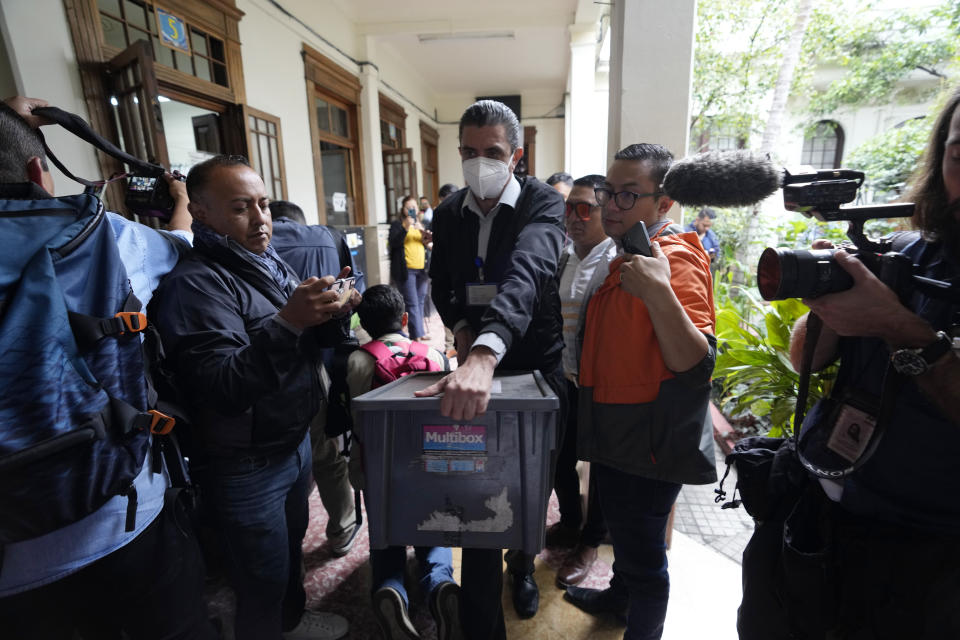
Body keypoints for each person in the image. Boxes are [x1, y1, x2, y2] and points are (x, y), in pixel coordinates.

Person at [739, 87, 960, 639]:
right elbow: (803, 358)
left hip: (924, 556)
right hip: (820, 506)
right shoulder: (909, 253)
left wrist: (895, 324)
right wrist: (831, 306)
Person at [0, 97, 217, 638]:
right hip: (122, 519)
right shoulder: (101, 237)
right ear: (37, 171)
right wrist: (182, 200)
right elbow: (184, 243)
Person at [152, 155, 355, 640]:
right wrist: (289, 321)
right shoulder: (196, 284)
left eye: (263, 203)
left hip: (292, 439)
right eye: (241, 207)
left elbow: (300, 344)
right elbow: (223, 386)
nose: (261, 218)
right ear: (200, 212)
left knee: (288, 555)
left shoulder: (263, 260)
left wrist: (333, 314)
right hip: (246, 462)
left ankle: (293, 620)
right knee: (259, 580)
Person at [416, 99, 568, 639]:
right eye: (470, 152)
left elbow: (527, 272)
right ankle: (482, 621)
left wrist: (485, 350)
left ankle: (522, 567)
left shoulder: (543, 204)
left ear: (517, 155)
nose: (481, 162)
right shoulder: (452, 211)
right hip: (473, 369)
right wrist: (460, 329)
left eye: (494, 153)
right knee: (481, 489)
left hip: (531, 364)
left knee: (530, 488)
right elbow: (442, 281)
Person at [564, 143, 717, 639]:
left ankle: (642, 628)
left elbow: (696, 363)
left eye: (628, 195)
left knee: (645, 556)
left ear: (664, 201)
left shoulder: (674, 260)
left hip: (648, 441)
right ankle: (616, 598)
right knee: (625, 539)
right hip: (619, 430)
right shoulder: (628, 248)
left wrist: (659, 291)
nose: (610, 204)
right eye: (610, 191)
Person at [344, 285, 461, 640]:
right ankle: (440, 585)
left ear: (363, 324)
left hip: (377, 469)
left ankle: (391, 588)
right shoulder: (436, 356)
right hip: (430, 466)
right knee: (432, 531)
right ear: (405, 318)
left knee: (385, 536)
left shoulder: (357, 361)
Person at [269, 199, 361, 558]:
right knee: (325, 451)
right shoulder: (327, 237)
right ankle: (341, 528)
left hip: (260, 368)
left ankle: (282, 545)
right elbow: (352, 296)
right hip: (312, 364)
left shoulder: (247, 245)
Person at [548, 174, 616, 588]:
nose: (574, 217)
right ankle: (571, 521)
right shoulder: (561, 257)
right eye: (569, 208)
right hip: (563, 379)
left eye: (584, 208)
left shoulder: (617, 262)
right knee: (559, 457)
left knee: (603, 466)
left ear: (605, 211)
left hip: (603, 384)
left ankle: (591, 542)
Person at [388, 195, 432, 342]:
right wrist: (405, 227)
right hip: (406, 270)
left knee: (420, 301)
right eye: (409, 207)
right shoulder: (397, 224)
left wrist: (424, 234)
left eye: (414, 207)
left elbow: (427, 245)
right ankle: (416, 335)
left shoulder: (421, 224)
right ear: (403, 209)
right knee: (412, 303)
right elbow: (393, 243)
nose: (412, 209)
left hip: (422, 269)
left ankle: (419, 331)